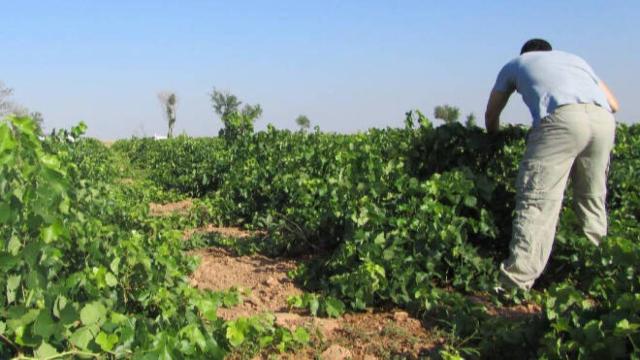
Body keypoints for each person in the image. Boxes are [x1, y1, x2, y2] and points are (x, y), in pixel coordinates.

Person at [484, 38, 620, 291]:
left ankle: (515, 283)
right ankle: (596, 273)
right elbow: (614, 104)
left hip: (562, 119)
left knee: (537, 200)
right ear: (550, 52)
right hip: (603, 121)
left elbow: (492, 114)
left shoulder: (516, 63)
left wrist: (492, 137)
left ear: (526, 53)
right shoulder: (577, 61)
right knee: (591, 197)